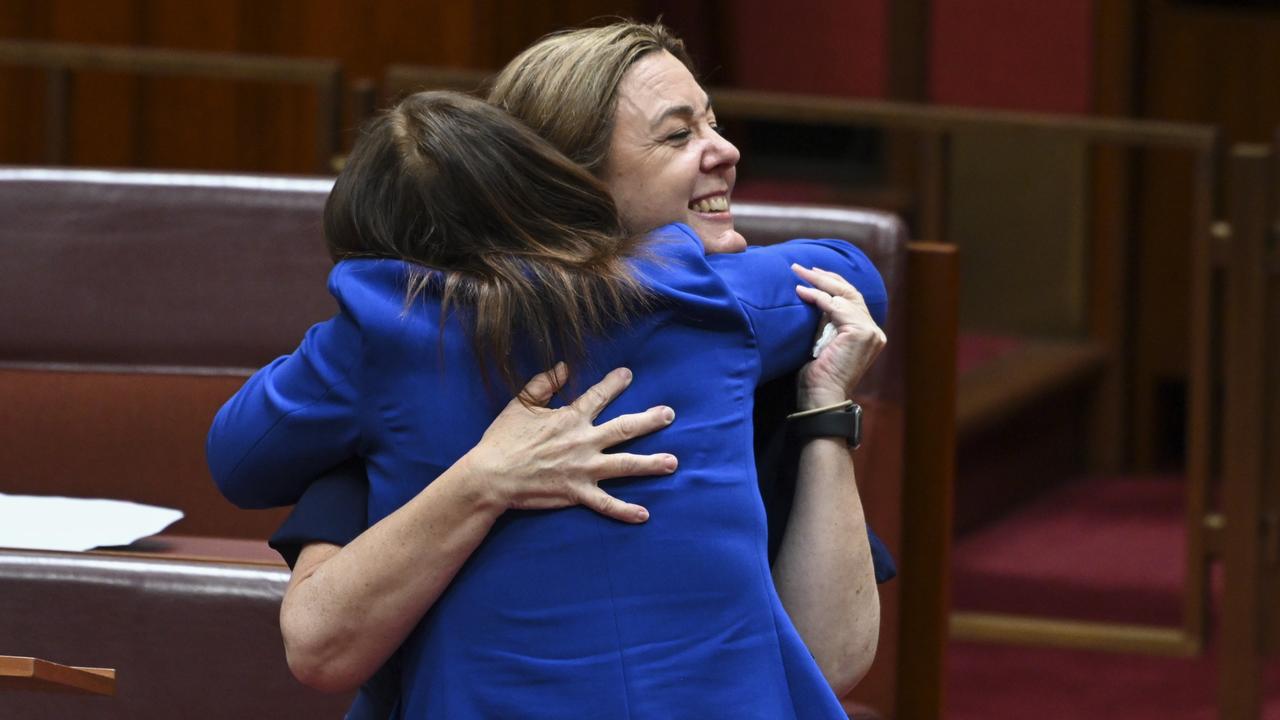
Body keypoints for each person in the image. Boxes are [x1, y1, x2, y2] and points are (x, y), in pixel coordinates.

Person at [270, 20, 894, 715]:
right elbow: (320, 648)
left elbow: (829, 661)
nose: (726, 151)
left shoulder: (749, 343)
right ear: (568, 184)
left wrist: (823, 411)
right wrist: (486, 478)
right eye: (678, 134)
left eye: (715, 123)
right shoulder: (420, 358)